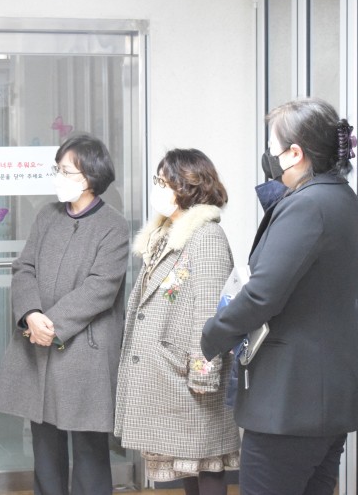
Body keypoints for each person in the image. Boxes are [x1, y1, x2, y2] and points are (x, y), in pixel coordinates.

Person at [201, 97, 358, 495]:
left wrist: (212, 335)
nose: (269, 159)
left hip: (292, 399)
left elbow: (262, 295)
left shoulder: (307, 206)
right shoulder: (342, 198)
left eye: (273, 149)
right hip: (328, 393)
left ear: (295, 153)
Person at [0, 133, 130, 495]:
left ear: (90, 176)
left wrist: (51, 325)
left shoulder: (113, 225)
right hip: (39, 347)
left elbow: (101, 287)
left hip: (85, 352)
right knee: (46, 447)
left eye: (66, 171)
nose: (58, 177)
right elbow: (25, 267)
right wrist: (31, 314)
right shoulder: (47, 216)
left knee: (89, 449)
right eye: (58, 169)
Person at [115, 149, 240, 494]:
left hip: (190, 371)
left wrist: (204, 372)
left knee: (207, 462)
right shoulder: (166, 233)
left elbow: (211, 311)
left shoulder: (206, 236)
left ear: (187, 185)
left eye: (163, 181)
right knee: (189, 463)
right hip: (170, 370)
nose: (157, 188)